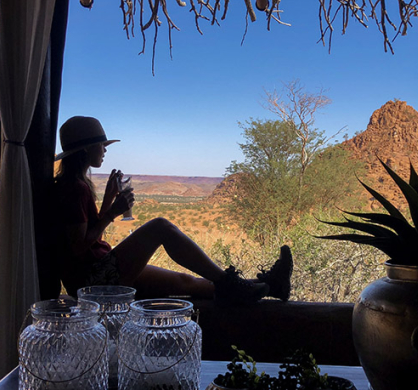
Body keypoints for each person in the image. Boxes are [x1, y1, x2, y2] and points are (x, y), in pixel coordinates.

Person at [53, 115, 292, 306]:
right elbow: (78, 246)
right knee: (160, 227)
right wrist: (112, 213)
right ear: (85, 150)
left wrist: (108, 200)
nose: (105, 150)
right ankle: (231, 283)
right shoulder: (74, 189)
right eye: (101, 145)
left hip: (97, 271)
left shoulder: (76, 185)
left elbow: (91, 239)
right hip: (92, 282)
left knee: (185, 282)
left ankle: (270, 286)